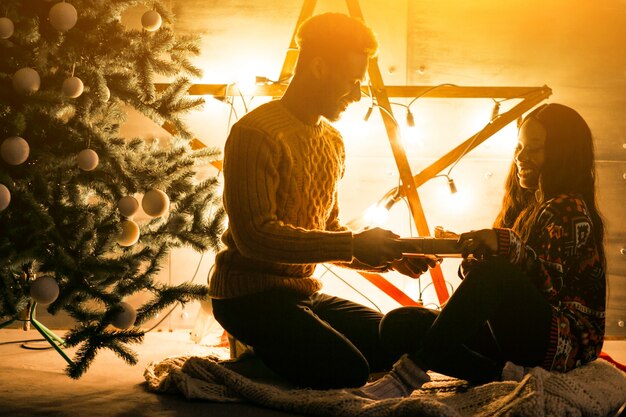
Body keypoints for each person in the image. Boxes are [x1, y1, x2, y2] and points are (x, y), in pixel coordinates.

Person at [208, 12, 435, 390]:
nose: (358, 94)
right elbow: (255, 237)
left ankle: (277, 354)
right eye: (352, 81)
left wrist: (389, 255)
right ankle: (238, 369)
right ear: (317, 67)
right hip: (247, 297)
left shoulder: (332, 140)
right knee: (346, 371)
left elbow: (327, 229)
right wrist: (351, 244)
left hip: (302, 295)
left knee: (390, 348)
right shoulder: (254, 133)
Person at [359, 103, 607, 399]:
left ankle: (407, 376)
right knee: (397, 325)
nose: (521, 157)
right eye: (519, 147)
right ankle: (502, 375)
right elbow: (498, 290)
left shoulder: (568, 208)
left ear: (561, 155)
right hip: (515, 338)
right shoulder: (527, 206)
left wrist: (504, 248)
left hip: (563, 344)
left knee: (496, 274)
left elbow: (547, 291)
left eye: (535, 148)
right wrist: (474, 255)